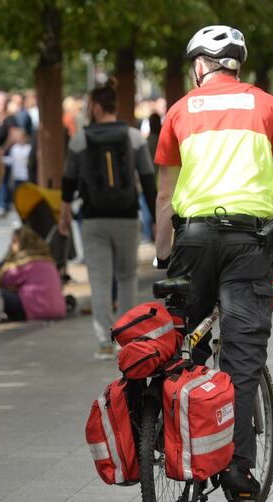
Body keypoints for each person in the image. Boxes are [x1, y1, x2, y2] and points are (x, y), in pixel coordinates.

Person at [153, 25, 273, 496]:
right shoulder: (268, 106)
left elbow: (163, 196)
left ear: (200, 64)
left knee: (182, 349)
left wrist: (162, 255)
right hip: (248, 243)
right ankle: (237, 472)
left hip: (191, 240)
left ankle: (181, 446)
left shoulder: (178, 111)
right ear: (237, 62)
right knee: (242, 354)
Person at [59, 78, 156, 360]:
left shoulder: (80, 140)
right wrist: (160, 220)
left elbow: (68, 183)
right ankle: (128, 340)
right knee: (127, 277)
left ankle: (104, 341)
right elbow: (149, 183)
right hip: (127, 217)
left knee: (100, 280)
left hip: (93, 219)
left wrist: (65, 215)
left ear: (98, 107)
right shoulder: (134, 137)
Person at [0, 226, 66, 322]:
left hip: (37, 312)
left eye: (14, 242)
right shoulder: (48, 261)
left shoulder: (24, 264)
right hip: (58, 310)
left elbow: (3, 280)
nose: (11, 246)